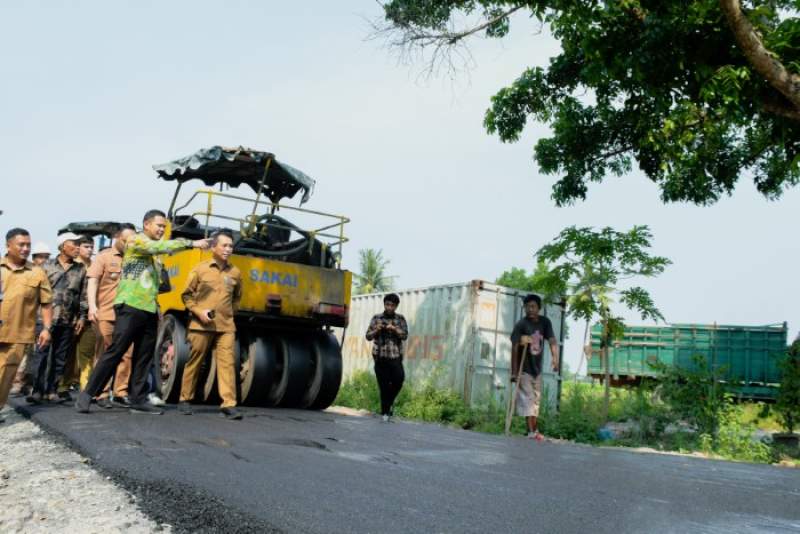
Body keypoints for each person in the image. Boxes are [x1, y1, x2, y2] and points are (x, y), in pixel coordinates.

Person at [76, 210, 210, 415]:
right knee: (115, 351)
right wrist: (191, 243)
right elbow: (158, 246)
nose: (162, 230)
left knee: (143, 356)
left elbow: (159, 283)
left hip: (149, 308)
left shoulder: (155, 256)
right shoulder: (136, 241)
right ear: (146, 224)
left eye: (164, 227)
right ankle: (87, 395)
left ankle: (137, 398)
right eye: (158, 225)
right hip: (130, 305)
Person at [178, 230, 243, 420]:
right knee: (195, 361)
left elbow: (237, 298)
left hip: (226, 327)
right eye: (224, 245)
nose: (228, 249)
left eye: (230, 246)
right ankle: (184, 399)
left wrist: (229, 314)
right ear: (213, 247)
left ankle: (228, 404)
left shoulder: (236, 273)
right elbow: (186, 295)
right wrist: (199, 312)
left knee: (227, 364)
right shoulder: (200, 269)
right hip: (201, 325)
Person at [0, 228, 53, 422]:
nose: (25, 248)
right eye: (21, 244)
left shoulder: (37, 273)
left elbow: (46, 303)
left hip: (18, 333)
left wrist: (47, 329)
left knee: (6, 374)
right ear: (8, 245)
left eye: (28, 245)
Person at [29, 232, 87, 404]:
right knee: (41, 355)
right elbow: (35, 293)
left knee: (60, 357)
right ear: (63, 246)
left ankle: (52, 390)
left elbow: (83, 296)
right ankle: (37, 390)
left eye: (79, 244)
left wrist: (82, 316)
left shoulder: (81, 269)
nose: (78, 248)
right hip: (45, 319)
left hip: (68, 319)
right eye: (74, 244)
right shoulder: (46, 266)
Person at [86, 223, 136, 408]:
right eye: (126, 240)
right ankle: (101, 393)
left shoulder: (136, 260)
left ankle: (121, 392)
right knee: (104, 353)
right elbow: (93, 281)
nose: (129, 244)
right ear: (117, 238)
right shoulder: (103, 257)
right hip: (106, 313)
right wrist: (92, 306)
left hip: (129, 316)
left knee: (127, 355)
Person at [509, 294, 560, 441]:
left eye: (533, 306)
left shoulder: (545, 322)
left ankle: (533, 430)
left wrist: (555, 359)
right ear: (524, 308)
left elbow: (552, 340)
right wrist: (514, 372)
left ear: (539, 308)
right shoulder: (521, 324)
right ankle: (532, 431)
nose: (530, 309)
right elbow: (514, 348)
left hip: (537, 369)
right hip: (523, 368)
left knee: (536, 400)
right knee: (528, 399)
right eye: (527, 307)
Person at [10, 242, 51, 397]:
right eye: (41, 257)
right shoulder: (26, 273)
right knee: (21, 353)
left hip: (40, 319)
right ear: (34, 258)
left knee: (35, 355)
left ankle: (28, 384)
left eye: (47, 257)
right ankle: (16, 383)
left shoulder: (46, 274)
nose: (44, 260)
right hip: (21, 320)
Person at [60, 235, 96, 396]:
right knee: (68, 354)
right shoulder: (74, 267)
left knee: (87, 354)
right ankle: (63, 386)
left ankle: (85, 388)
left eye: (91, 246)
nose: (89, 249)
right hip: (71, 317)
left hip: (90, 317)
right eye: (86, 246)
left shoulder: (96, 266)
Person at [365, 293, 408, 422]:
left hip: (395, 357)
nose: (389, 307)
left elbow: (404, 335)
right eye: (387, 304)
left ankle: (388, 404)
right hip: (380, 357)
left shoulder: (400, 319)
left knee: (399, 380)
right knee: (383, 386)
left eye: (392, 305)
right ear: (384, 304)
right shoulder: (376, 318)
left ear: (396, 306)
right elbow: (368, 336)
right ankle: (385, 413)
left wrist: (394, 329)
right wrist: (377, 330)